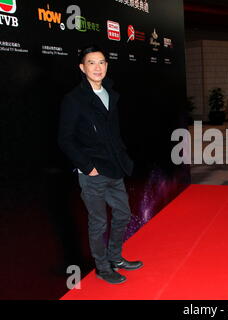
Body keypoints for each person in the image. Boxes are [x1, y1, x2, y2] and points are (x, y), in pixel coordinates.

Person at [58, 45, 143, 285]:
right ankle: (102, 267)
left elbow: (113, 133)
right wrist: (87, 166)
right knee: (98, 222)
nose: (97, 67)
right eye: (92, 63)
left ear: (107, 65)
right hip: (92, 172)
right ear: (82, 67)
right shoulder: (74, 99)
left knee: (123, 214)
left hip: (115, 167)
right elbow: (65, 139)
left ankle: (115, 257)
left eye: (102, 62)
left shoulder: (109, 93)